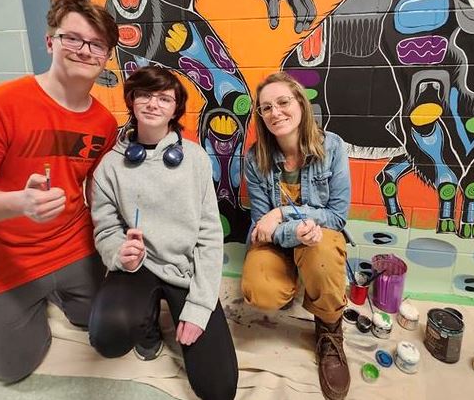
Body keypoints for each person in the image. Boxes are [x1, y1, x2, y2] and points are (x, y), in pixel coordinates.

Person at [0, 0, 120, 383]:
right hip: (1, 259)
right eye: (72, 38)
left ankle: (58, 295)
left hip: (72, 246)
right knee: (12, 370)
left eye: (96, 44)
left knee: (110, 329)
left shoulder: (104, 123)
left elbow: (94, 189)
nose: (84, 50)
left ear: (106, 56)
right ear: (50, 42)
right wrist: (19, 202)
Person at [88, 66, 238, 400]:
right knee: (107, 337)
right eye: (145, 94)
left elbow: (210, 236)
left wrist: (200, 307)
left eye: (164, 98)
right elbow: (106, 228)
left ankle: (177, 310)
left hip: (185, 269)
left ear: (175, 109)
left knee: (219, 389)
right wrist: (118, 251)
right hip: (136, 267)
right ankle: (148, 328)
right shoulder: (110, 166)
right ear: (132, 99)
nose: (153, 104)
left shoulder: (196, 160)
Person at [241, 72, 352, 400]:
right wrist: (291, 230)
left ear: (301, 104)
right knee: (260, 290)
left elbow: (336, 216)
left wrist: (284, 214)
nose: (275, 112)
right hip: (278, 240)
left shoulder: (332, 147)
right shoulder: (255, 158)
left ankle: (329, 327)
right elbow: (261, 227)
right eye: (266, 108)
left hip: (319, 237)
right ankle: (289, 279)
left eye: (283, 102)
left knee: (319, 254)